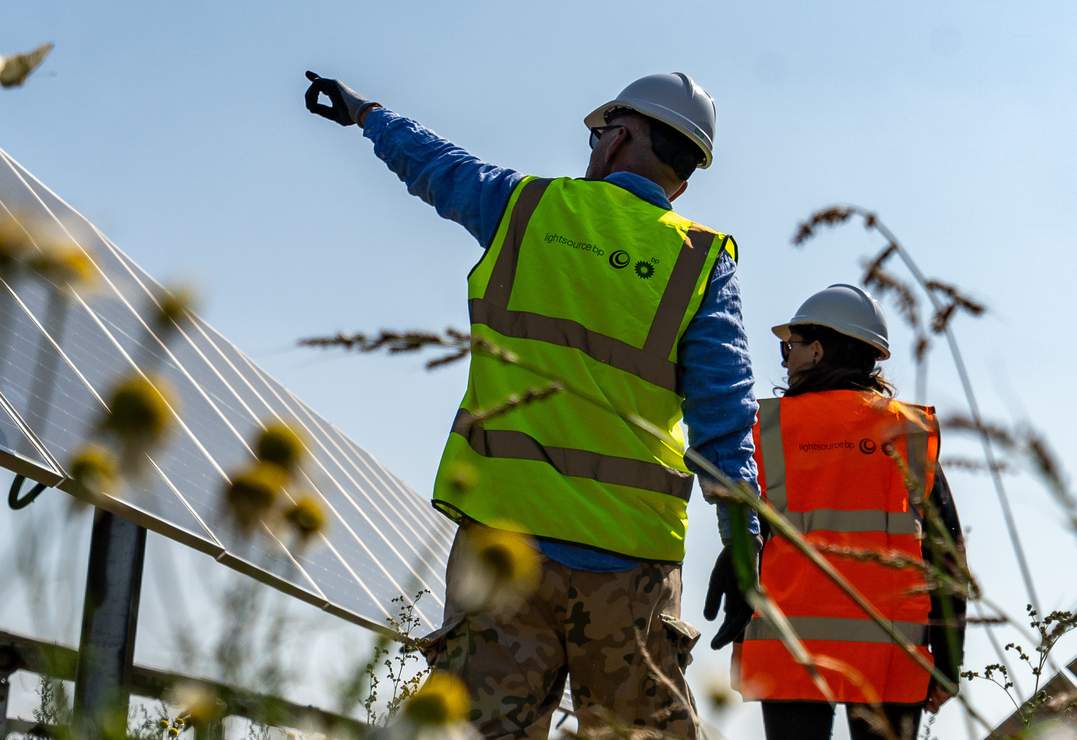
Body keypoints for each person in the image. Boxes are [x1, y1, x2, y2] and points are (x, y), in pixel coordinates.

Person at [303, 71, 759, 740]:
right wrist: (743, 547)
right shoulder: (700, 261)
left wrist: (369, 114)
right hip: (629, 567)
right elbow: (725, 416)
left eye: (598, 132)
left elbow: (440, 168)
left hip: (503, 554)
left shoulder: (529, 208)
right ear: (681, 183)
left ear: (618, 137)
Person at [702, 284, 968, 740]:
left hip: (789, 651)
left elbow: (752, 530)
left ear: (818, 350)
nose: (785, 358)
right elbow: (945, 553)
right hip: (891, 657)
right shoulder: (906, 430)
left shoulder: (768, 428)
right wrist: (948, 659)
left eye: (792, 346)